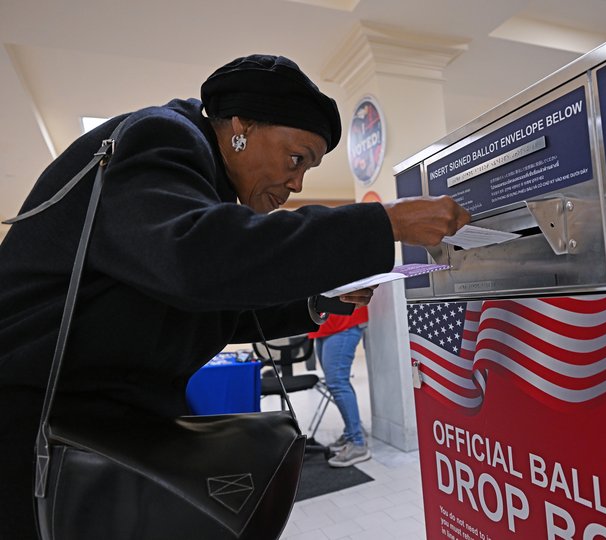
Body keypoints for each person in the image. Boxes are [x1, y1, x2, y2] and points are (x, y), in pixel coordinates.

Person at [0, 54, 470, 539]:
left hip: (92, 425)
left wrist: (314, 299)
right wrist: (383, 222)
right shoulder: (161, 136)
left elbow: (202, 298)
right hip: (33, 425)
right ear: (241, 126)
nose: (297, 183)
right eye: (296, 158)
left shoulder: (206, 192)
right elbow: (195, 261)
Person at [308, 306, 370, 467]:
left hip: (343, 321)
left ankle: (358, 444)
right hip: (325, 324)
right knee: (336, 382)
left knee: (337, 383)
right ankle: (352, 432)